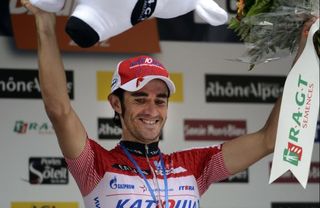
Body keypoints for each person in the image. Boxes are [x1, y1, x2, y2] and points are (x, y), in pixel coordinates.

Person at [21, 0, 317, 207]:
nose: (152, 110)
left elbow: (271, 139)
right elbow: (59, 108)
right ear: (116, 103)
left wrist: (305, 55)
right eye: (140, 98)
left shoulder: (194, 167)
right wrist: (44, 24)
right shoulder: (95, 165)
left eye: (160, 100)